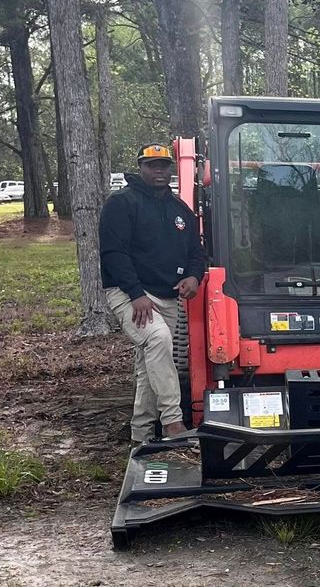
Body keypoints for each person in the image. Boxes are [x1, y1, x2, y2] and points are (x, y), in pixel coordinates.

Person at [100, 143, 205, 443]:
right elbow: (113, 253)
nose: (159, 171)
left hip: (168, 297)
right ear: (140, 167)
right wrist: (136, 293)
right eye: (152, 165)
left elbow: (196, 252)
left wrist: (194, 277)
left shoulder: (179, 209)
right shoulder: (121, 203)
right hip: (129, 293)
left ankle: (141, 434)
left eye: (164, 165)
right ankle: (173, 422)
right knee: (158, 339)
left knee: (150, 363)